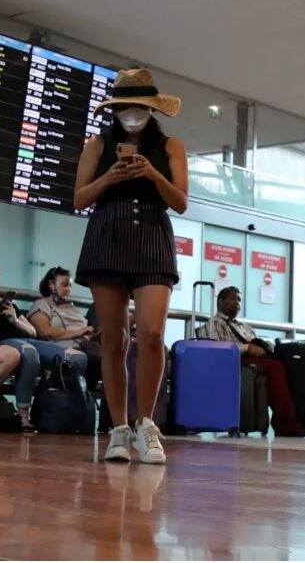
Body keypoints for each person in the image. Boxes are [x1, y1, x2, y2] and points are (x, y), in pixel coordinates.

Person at [73, 68, 188, 464]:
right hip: (108, 232)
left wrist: (152, 173)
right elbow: (79, 198)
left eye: (138, 106)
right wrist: (110, 177)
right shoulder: (98, 143)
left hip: (153, 233)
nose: (130, 113)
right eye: (124, 106)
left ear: (150, 109)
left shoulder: (171, 145)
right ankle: (118, 429)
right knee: (114, 339)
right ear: (116, 109)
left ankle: (146, 424)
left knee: (153, 332)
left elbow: (181, 201)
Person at [0, 261, 80, 430]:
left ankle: (69, 412)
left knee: (77, 358)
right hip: (2, 343)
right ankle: (22, 413)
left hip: (25, 340)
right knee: (29, 353)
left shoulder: (7, 305)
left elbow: (32, 332)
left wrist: (15, 319)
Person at [203, 287, 304, 436]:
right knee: (275, 367)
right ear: (221, 301)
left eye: (239, 300)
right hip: (233, 361)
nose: (238, 303)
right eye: (234, 299)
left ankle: (299, 419)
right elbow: (217, 350)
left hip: (253, 359)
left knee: (290, 364)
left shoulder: (243, 326)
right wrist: (246, 348)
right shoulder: (213, 324)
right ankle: (285, 425)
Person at [28, 266, 103, 390]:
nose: (68, 289)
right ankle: (81, 401)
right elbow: (44, 331)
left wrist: (92, 335)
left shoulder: (74, 309)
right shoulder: (42, 304)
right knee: (93, 361)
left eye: (70, 286)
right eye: (64, 285)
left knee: (114, 362)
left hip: (85, 348)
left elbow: (86, 333)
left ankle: (105, 406)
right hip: (61, 351)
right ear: (52, 285)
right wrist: (79, 332)